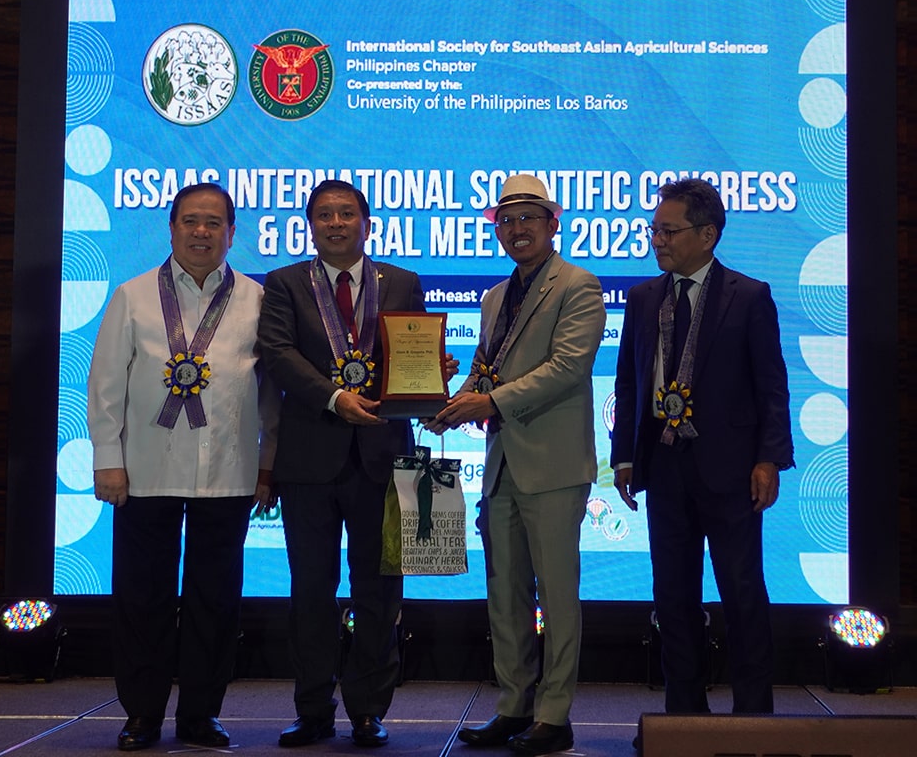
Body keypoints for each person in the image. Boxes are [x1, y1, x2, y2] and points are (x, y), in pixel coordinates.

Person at [257, 179, 455, 749]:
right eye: (324, 215)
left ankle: (368, 709)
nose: (336, 223)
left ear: (366, 223)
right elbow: (279, 354)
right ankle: (313, 709)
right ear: (310, 225)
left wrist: (431, 370)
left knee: (380, 592)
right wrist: (335, 396)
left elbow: (409, 361)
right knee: (310, 593)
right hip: (309, 458)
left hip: (385, 458)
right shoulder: (285, 283)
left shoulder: (403, 283)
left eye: (346, 213)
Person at [88, 182, 278, 752]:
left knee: (214, 602)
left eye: (213, 223)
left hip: (229, 470)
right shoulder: (133, 295)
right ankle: (142, 714)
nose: (201, 232)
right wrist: (107, 460)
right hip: (144, 470)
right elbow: (103, 386)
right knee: (141, 598)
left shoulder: (257, 299)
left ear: (231, 233)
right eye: (191, 221)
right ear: (170, 228)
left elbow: (270, 395)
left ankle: (200, 715)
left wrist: (266, 466)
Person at [426, 174, 606, 756]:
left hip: (553, 466)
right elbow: (489, 369)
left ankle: (555, 717)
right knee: (505, 595)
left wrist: (490, 400)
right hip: (502, 463)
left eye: (529, 217)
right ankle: (513, 706)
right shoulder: (496, 297)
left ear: (554, 223)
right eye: (507, 220)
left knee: (557, 596)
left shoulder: (579, 286)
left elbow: (568, 367)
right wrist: (445, 398)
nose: (517, 228)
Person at [610, 178, 794, 736]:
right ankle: (683, 720)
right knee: (672, 597)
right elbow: (628, 381)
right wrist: (624, 459)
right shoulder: (644, 298)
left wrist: (769, 459)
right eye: (654, 230)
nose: (657, 240)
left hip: (733, 470)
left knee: (742, 592)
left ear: (708, 234)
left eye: (668, 230)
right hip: (664, 469)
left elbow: (772, 388)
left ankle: (754, 719)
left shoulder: (749, 295)